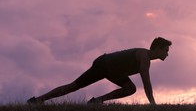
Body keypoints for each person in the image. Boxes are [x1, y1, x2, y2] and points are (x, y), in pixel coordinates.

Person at [27, 37, 172, 105]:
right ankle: (38, 100)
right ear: (157, 48)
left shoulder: (146, 57)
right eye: (165, 50)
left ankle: (97, 101)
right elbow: (146, 82)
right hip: (104, 64)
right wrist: (153, 104)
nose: (167, 54)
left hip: (114, 71)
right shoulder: (144, 56)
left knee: (130, 88)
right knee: (74, 86)